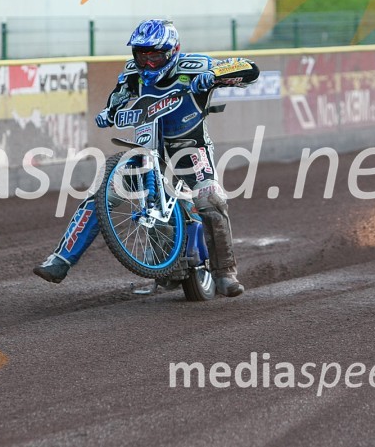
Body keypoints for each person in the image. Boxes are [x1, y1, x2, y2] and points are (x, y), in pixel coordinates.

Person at [33, 18, 259, 297]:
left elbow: (249, 68)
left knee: (210, 198)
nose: (148, 62)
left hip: (189, 147)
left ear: (172, 51)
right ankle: (60, 260)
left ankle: (225, 272)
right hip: (146, 149)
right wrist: (110, 111)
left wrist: (213, 77)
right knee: (102, 195)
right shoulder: (132, 72)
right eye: (142, 54)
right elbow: (118, 97)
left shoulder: (194, 65)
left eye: (155, 55)